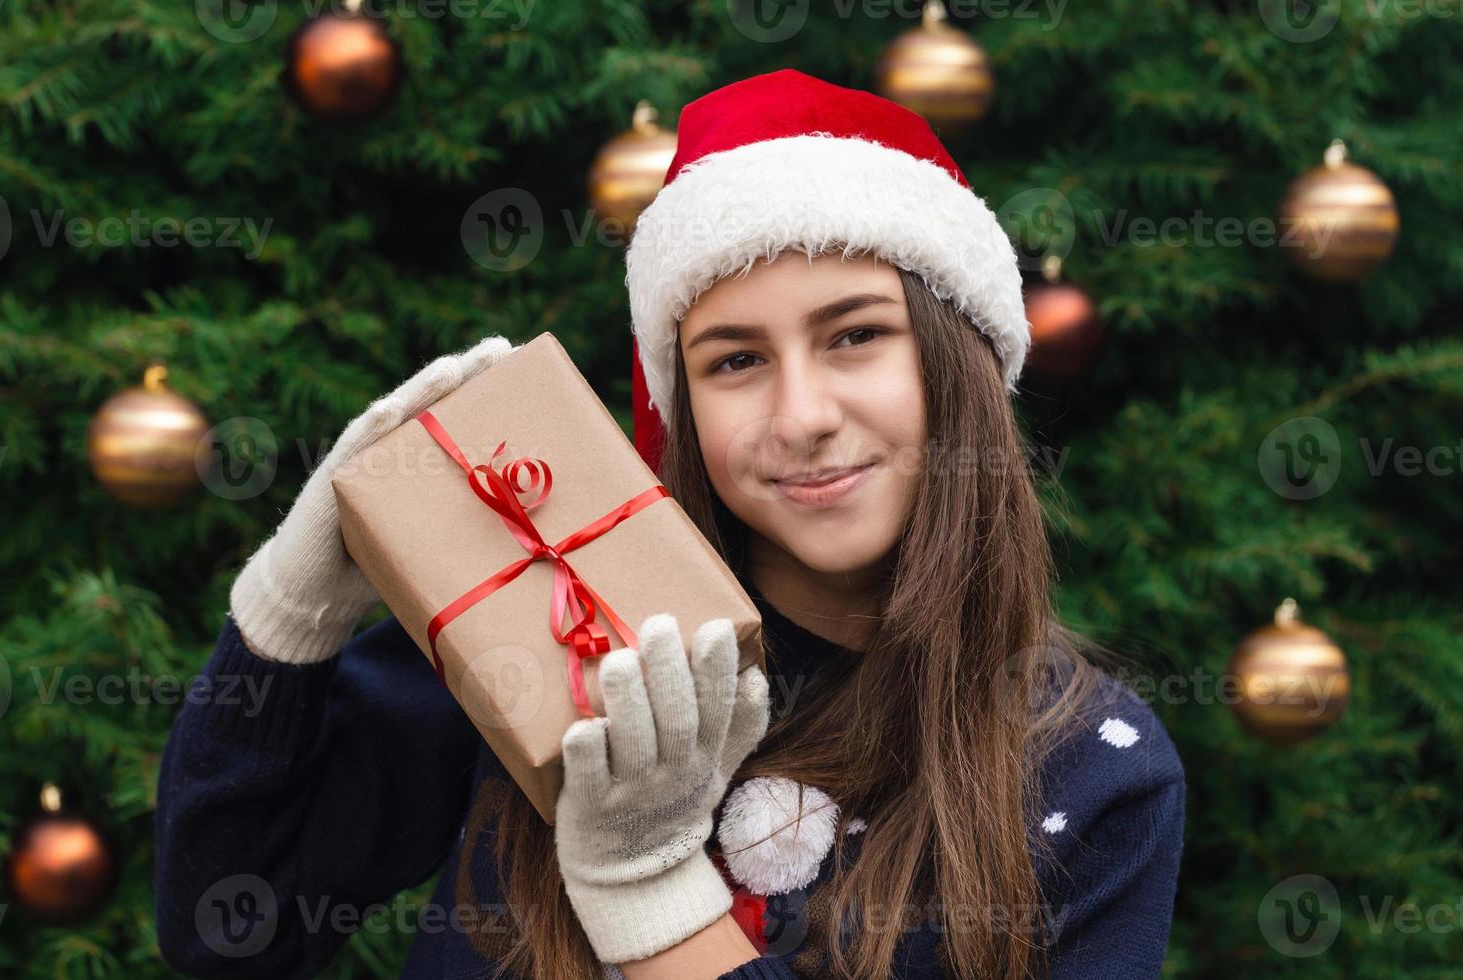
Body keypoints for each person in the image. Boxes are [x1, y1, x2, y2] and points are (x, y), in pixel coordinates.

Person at [154, 68, 1185, 980]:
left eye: (856, 335)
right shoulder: (551, 634)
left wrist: (651, 892)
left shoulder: (1091, 770)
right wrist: (288, 615)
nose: (803, 417)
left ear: (958, 364)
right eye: (735, 359)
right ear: (680, 409)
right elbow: (229, 930)